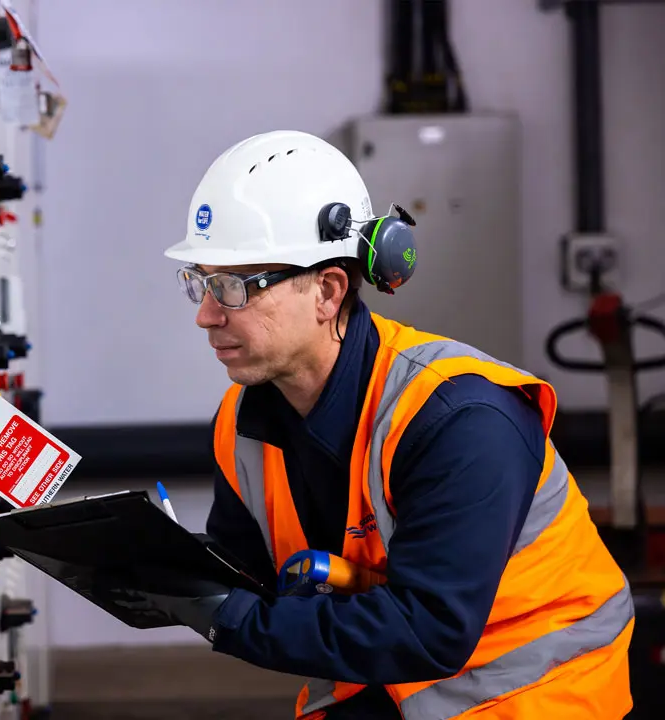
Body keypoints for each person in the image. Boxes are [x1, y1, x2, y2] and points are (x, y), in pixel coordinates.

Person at [151, 131, 634, 719]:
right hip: (386, 688)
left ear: (327, 291)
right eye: (200, 282)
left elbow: (430, 631)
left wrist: (228, 617)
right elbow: (246, 574)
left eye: (231, 287)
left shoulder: (461, 418)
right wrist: (146, 563)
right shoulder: (243, 422)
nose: (206, 314)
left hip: (533, 698)